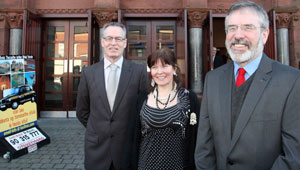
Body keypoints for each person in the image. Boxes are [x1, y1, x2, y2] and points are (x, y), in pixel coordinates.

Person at [194, 1, 300, 170]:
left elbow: (293, 155)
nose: (238, 35)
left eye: (248, 27)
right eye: (232, 28)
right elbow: (204, 147)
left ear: (264, 35)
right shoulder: (213, 79)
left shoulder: (291, 81)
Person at [76, 22, 149, 170]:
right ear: (103, 42)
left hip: (127, 149)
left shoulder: (138, 72)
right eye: (109, 38)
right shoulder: (89, 73)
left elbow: (144, 111)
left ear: (125, 43)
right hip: (96, 149)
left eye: (118, 39)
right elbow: (82, 111)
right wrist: (97, 128)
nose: (113, 43)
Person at [122, 47, 200, 170]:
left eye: (164, 66)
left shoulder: (189, 99)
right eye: (154, 67)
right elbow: (132, 139)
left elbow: (197, 138)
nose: (159, 72)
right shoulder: (141, 99)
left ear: (174, 69)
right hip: (145, 166)